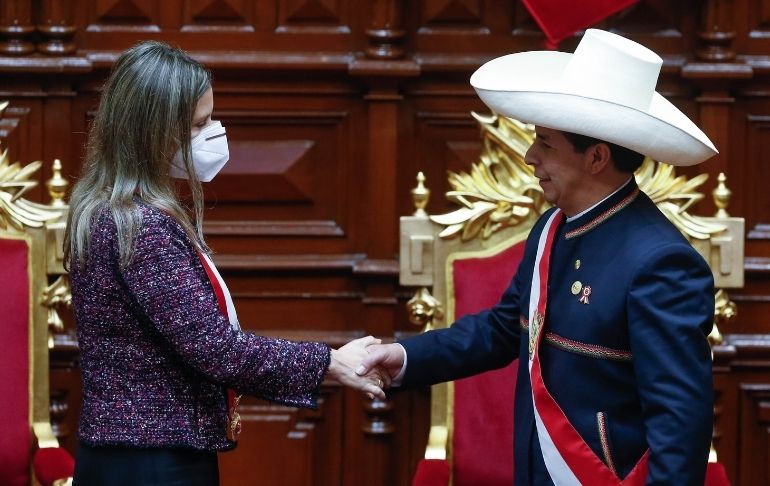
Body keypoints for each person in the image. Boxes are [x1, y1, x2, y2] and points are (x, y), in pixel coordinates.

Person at [359, 29, 717, 485]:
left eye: (545, 143)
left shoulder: (662, 262)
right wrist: (405, 356)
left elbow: (680, 424)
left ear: (597, 157)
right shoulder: (552, 228)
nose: (529, 156)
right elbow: (504, 328)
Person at [64, 41, 387, 485]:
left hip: (132, 451)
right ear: (153, 133)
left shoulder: (106, 207)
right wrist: (329, 362)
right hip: (154, 461)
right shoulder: (140, 225)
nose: (215, 131)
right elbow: (216, 349)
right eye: (199, 124)